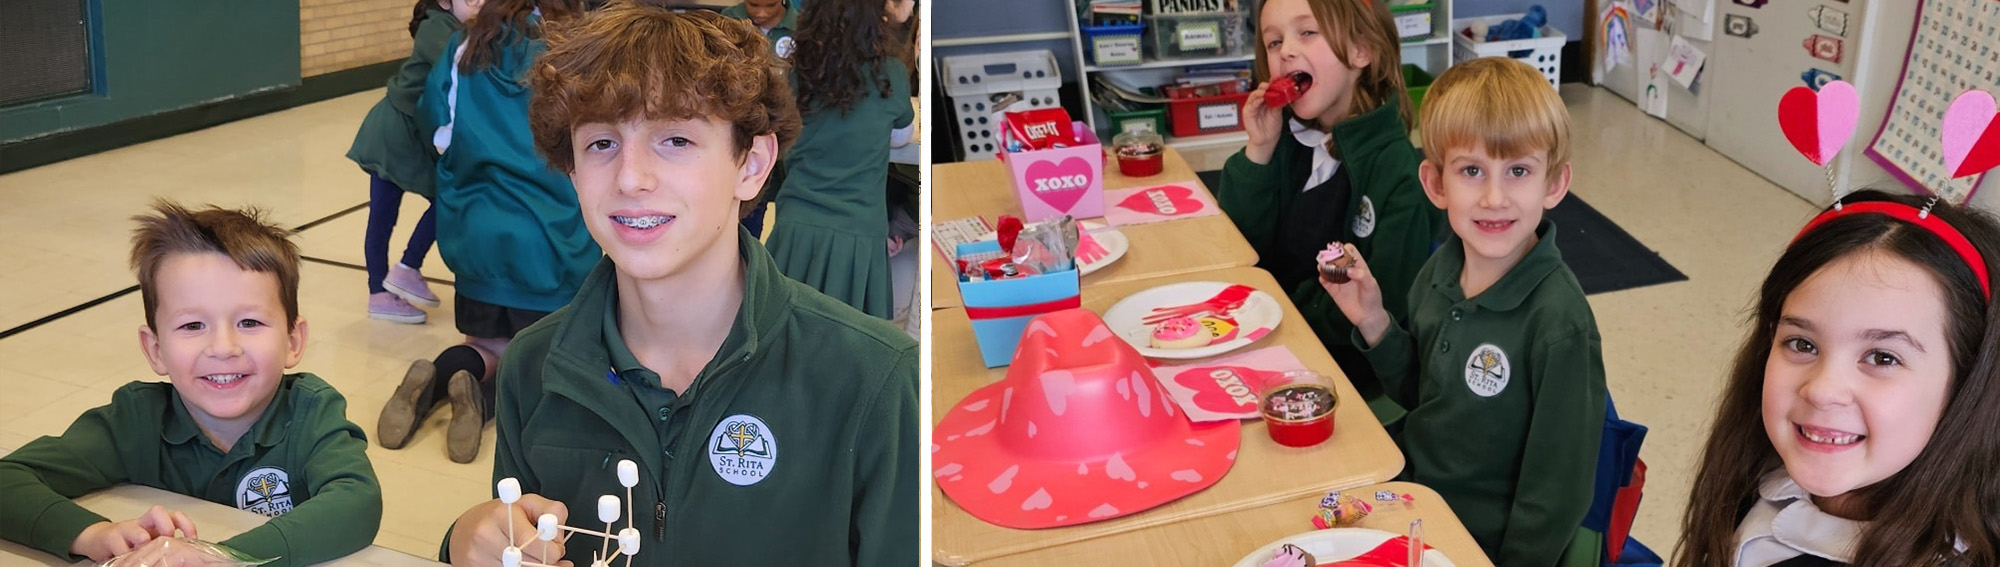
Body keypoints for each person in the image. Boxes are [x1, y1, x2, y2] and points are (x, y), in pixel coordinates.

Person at [437, 5, 916, 565]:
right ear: (572, 169)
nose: (631, 178)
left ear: (752, 164)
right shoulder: (534, 366)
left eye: (676, 140)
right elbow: (521, 540)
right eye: (601, 144)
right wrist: (467, 541)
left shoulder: (873, 381)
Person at [1322, 57, 1604, 567]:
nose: (1494, 198)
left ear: (1554, 185)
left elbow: (1556, 494)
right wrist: (1373, 320)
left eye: (1518, 171)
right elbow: (1421, 393)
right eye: (1472, 171)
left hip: (1477, 540)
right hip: (1409, 493)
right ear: (1435, 184)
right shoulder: (1439, 272)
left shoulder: (1559, 324)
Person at [0, 202, 382, 567]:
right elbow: (8, 481)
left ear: (293, 341)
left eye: (249, 322)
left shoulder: (312, 412)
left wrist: (222, 557)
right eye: (192, 325)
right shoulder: (137, 419)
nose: (223, 348)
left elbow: (358, 502)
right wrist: (90, 533)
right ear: (156, 349)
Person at [1674, 189, 2000, 566]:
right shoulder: (1754, 472)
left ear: (1967, 382)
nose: (1823, 390)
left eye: (1882, 357)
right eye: (1802, 344)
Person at [383, 0, 599, 464]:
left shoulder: (465, 46)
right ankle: (481, 402)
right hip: (550, 238)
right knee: (542, 356)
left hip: (474, 232)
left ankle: (441, 378)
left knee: (484, 344)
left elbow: (435, 122)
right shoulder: (570, 47)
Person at [1218, 0, 1444, 424]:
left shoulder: (1397, 175)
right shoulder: (1288, 138)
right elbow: (1238, 250)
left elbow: (1383, 308)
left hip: (1348, 380)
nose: (1285, 51)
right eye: (1273, 40)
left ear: (1361, 51)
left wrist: (1275, 304)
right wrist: (1259, 152)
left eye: (1307, 33)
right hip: (1267, 341)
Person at [764, 0, 916, 320]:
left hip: (797, 224)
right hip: (859, 232)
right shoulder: (891, 74)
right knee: (852, 346)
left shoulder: (798, 69)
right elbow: (901, 137)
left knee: (784, 335)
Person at [345, 0, 469, 325]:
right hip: (394, 131)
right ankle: (382, 290)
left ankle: (406, 269)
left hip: (415, 134)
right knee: (386, 215)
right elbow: (464, 66)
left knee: (444, 202)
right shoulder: (436, 26)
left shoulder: (456, 27)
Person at [720, 0, 799, 240]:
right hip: (740, 130)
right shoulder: (728, 20)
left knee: (759, 206)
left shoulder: (800, 28)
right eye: (754, 5)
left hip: (783, 133)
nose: (761, 13)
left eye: (770, 6)